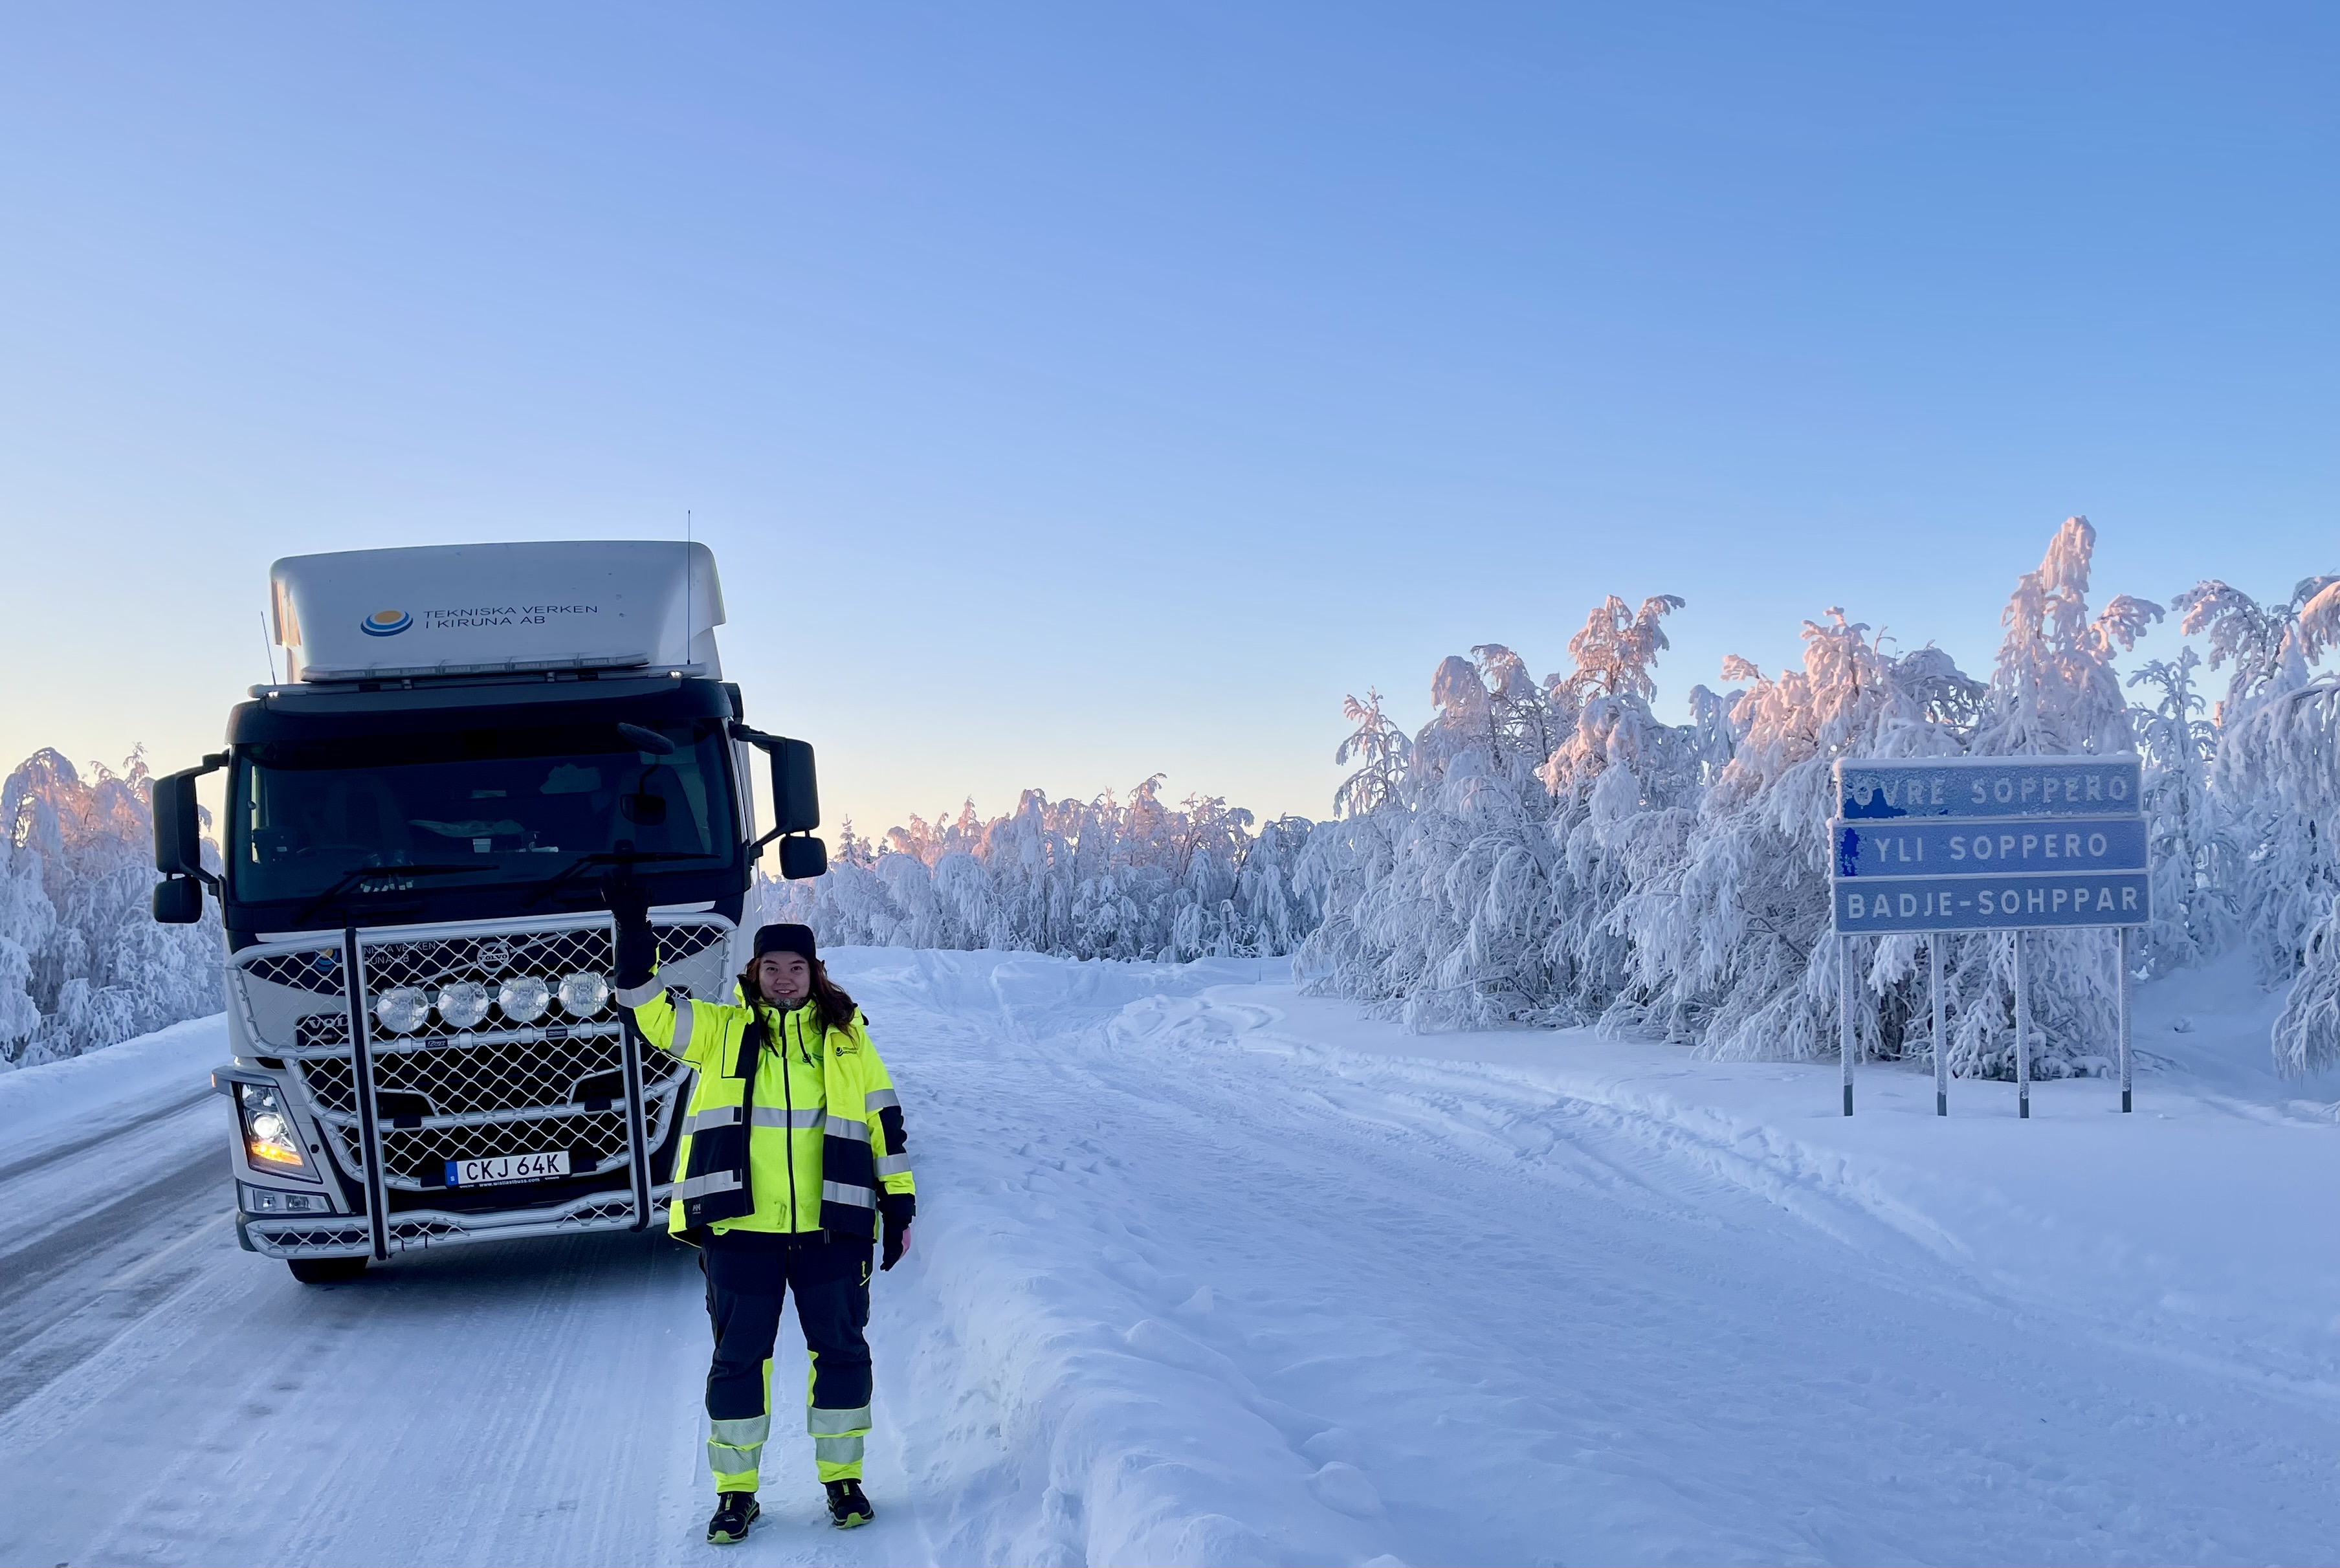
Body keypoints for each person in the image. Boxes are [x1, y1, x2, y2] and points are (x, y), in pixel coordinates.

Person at [606, 883, 916, 1543]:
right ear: (754, 971)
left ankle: (842, 1479)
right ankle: (735, 1493)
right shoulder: (720, 1029)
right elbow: (646, 1008)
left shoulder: (846, 1037)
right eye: (770, 965)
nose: (783, 977)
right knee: (740, 1359)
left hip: (832, 1227)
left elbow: (883, 1120)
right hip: (740, 1229)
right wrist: (635, 932)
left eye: (795, 966)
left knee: (839, 1351)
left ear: (814, 972)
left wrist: (899, 1198)